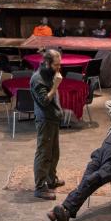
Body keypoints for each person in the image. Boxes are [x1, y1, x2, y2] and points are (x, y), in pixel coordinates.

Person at [30, 49, 63, 200]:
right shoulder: (38, 79)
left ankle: (51, 180)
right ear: (47, 63)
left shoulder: (49, 73)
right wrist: (55, 86)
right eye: (56, 65)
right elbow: (44, 100)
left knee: (54, 152)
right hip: (45, 120)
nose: (59, 68)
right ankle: (39, 187)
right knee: (44, 153)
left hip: (53, 119)